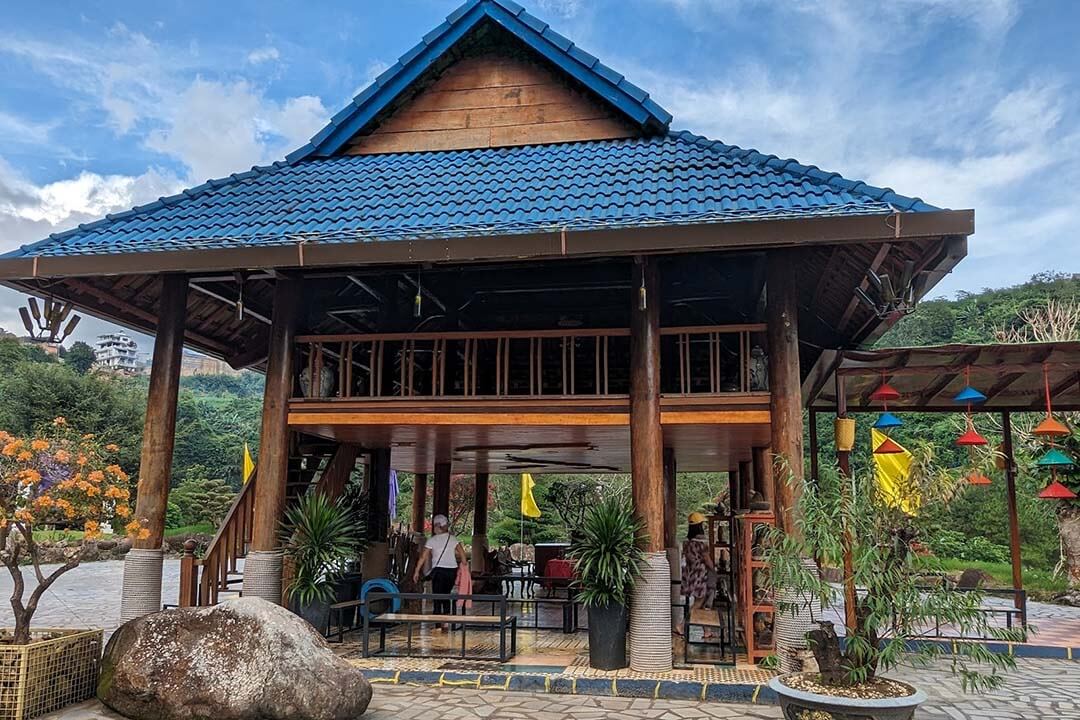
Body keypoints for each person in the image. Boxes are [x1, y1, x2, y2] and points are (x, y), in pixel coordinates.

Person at [413, 514, 468, 620]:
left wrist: (416, 571)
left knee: (437, 597)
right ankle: (446, 622)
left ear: (438, 526)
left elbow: (423, 557)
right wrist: (464, 567)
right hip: (452, 571)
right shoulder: (453, 539)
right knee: (446, 595)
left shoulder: (432, 540)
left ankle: (438, 624)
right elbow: (463, 557)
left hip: (438, 572)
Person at [679, 512, 717, 638]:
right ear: (699, 526)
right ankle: (682, 625)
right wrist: (714, 570)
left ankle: (706, 630)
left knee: (701, 602)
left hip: (690, 576)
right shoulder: (701, 544)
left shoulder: (687, 543)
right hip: (700, 577)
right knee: (699, 603)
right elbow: (708, 561)